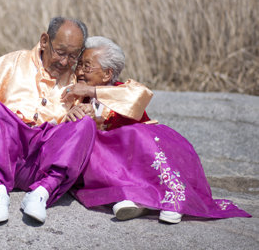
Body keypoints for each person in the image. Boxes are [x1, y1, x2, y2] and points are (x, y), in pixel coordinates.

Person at [63, 36, 251, 223]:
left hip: (138, 155)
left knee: (137, 134)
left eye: (86, 67)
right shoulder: (76, 98)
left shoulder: (123, 90)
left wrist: (91, 92)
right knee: (97, 150)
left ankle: (173, 199)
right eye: (78, 65)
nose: (79, 72)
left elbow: (140, 96)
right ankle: (132, 199)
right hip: (111, 163)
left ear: (107, 74)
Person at [0, 17, 97, 224]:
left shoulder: (78, 82)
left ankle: (41, 193)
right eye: (60, 52)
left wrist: (84, 111)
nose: (65, 62)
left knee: (85, 124)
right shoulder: (13, 62)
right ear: (45, 40)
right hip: (4, 154)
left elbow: (108, 110)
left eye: (73, 56)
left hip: (43, 165)